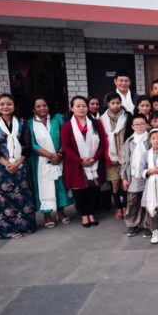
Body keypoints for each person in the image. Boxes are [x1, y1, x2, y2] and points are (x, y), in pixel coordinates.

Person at [0, 93, 36, 238]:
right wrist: (8, 164)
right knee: (5, 201)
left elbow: (27, 147)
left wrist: (18, 163)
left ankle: (25, 227)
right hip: (2, 169)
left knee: (22, 198)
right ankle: (7, 230)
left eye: (9, 104)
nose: (5, 107)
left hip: (20, 167)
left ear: (14, 106)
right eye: (2, 104)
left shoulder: (22, 122)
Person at [61, 96, 107, 228]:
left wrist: (94, 158)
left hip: (94, 162)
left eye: (84, 106)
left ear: (88, 108)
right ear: (72, 108)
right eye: (78, 106)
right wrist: (80, 161)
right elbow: (66, 147)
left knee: (93, 189)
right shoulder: (67, 126)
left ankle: (92, 213)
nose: (81, 108)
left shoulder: (96, 124)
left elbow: (103, 144)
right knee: (79, 191)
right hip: (75, 164)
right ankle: (84, 215)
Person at [28, 97, 72, 228]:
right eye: (38, 106)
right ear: (33, 110)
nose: (42, 108)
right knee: (44, 187)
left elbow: (65, 137)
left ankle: (60, 212)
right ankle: (47, 215)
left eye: (44, 105)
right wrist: (51, 155)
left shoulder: (58, 118)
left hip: (59, 158)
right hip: (41, 161)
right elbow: (32, 144)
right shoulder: (30, 123)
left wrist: (59, 154)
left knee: (59, 185)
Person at [121, 114, 149, 237]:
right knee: (133, 201)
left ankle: (149, 225)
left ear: (147, 124)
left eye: (142, 123)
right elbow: (125, 161)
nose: (139, 126)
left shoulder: (151, 138)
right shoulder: (129, 141)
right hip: (134, 176)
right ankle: (132, 225)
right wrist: (124, 177)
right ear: (132, 126)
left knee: (149, 201)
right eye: (136, 124)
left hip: (149, 175)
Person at [102, 92, 129, 219]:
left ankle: (125, 206)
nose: (116, 105)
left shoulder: (127, 117)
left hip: (125, 155)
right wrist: (109, 156)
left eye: (118, 103)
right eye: (113, 103)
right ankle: (118, 208)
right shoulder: (102, 120)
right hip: (110, 157)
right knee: (114, 183)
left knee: (125, 183)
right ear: (108, 104)